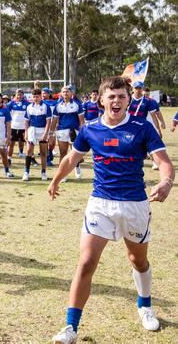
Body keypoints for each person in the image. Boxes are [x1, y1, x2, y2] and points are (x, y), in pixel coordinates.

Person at [48, 76, 174, 344]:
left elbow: (163, 162)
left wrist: (166, 181)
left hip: (135, 204)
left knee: (137, 260)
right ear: (101, 99)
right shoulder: (90, 128)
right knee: (85, 263)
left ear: (128, 100)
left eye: (121, 96)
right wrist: (56, 179)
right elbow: (72, 157)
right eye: (111, 96)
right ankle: (71, 327)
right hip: (100, 204)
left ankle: (145, 306)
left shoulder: (143, 127)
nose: (116, 101)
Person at [50, 85, 85, 182]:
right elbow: (54, 120)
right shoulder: (58, 106)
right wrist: (51, 133)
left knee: (75, 152)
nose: (65, 93)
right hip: (62, 131)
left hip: (74, 131)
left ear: (71, 93)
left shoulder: (77, 105)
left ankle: (77, 169)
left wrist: (82, 133)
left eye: (67, 91)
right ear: (61, 94)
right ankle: (62, 175)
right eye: (63, 92)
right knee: (63, 153)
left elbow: (81, 121)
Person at [22, 89, 51, 181]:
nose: (35, 98)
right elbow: (26, 121)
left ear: (40, 96)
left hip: (42, 130)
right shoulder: (29, 107)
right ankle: (26, 172)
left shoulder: (46, 106)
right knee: (29, 150)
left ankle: (43, 172)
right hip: (32, 130)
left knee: (43, 152)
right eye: (34, 97)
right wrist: (26, 132)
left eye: (37, 96)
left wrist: (45, 133)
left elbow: (48, 121)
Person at [6, 89, 28, 161]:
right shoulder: (11, 104)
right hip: (13, 127)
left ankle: (28, 157)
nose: (19, 96)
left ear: (23, 95)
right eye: (17, 94)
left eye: (21, 94)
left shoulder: (27, 104)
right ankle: (9, 158)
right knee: (11, 143)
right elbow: (6, 114)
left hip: (23, 127)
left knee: (26, 143)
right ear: (15, 95)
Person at [42, 88, 58, 166]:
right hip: (44, 125)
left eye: (45, 93)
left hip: (53, 125)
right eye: (42, 93)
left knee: (52, 142)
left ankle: (50, 152)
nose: (43, 95)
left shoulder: (55, 103)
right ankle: (47, 158)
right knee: (45, 142)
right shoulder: (41, 102)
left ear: (49, 94)